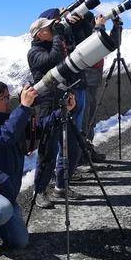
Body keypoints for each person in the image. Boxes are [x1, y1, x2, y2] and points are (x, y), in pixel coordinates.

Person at [0, 80, 75, 256]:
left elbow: (39, 127)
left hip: (3, 192)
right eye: (3, 98)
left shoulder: (10, 119)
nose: (8, 101)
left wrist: (63, 111)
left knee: (20, 242)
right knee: (1, 209)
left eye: (8, 97)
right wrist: (23, 108)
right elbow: (4, 136)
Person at [28, 16, 85, 209]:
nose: (52, 30)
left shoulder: (52, 44)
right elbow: (55, 59)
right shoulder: (34, 52)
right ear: (38, 34)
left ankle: (61, 185)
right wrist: (58, 36)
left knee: (73, 146)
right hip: (46, 106)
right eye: (48, 28)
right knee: (48, 151)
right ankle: (40, 191)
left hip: (61, 101)